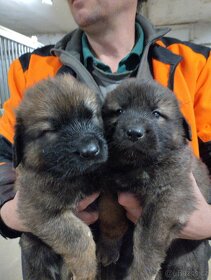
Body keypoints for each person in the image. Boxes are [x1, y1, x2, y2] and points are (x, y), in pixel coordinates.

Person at [0, 0, 211, 274]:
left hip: (175, 254)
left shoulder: (196, 63)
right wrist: (8, 210)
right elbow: (4, 151)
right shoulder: (30, 67)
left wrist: (208, 221)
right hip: (59, 257)